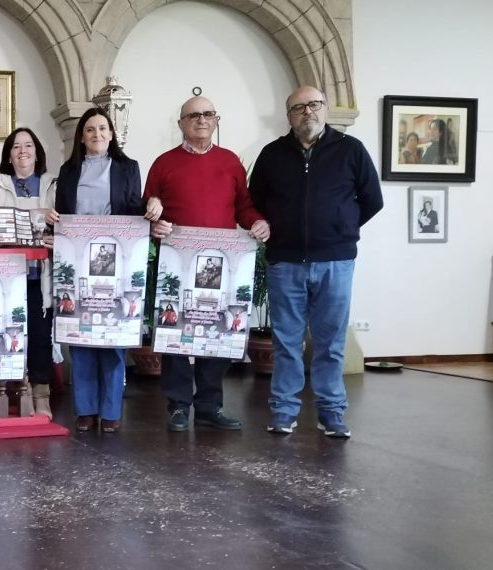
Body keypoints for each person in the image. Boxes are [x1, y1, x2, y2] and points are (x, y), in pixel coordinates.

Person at [249, 85, 383, 439]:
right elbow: (255, 201)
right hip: (285, 262)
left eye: (314, 105)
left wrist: (340, 229)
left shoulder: (350, 150)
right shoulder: (272, 154)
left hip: (335, 262)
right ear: (289, 116)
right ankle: (283, 410)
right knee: (286, 342)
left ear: (325, 109)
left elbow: (372, 199)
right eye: (298, 108)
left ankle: (332, 412)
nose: (307, 112)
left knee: (330, 342)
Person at [145, 95, 270, 433]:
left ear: (216, 120)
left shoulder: (230, 162)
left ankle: (209, 406)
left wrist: (257, 222)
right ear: (181, 123)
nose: (201, 120)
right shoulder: (163, 163)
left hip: (220, 262)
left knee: (216, 333)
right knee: (174, 332)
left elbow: (243, 207)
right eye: (194, 115)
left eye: (208, 114)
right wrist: (154, 222)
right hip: (177, 262)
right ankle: (178, 405)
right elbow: (149, 209)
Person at [55, 107, 141, 434]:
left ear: (111, 133)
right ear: (81, 135)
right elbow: (63, 212)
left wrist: (151, 206)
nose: (97, 134)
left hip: (115, 262)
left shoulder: (127, 167)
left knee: (113, 337)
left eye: (102, 128)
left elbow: (133, 208)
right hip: (77, 262)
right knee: (82, 338)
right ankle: (86, 408)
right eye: (90, 129)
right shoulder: (68, 170)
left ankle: (110, 410)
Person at [0, 127, 59, 418]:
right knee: (10, 334)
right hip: (7, 278)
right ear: (9, 155)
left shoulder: (53, 185)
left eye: (28, 145)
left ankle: (41, 395)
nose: (23, 151)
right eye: (16, 147)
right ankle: (18, 389)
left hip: (41, 276)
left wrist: (56, 236)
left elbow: (67, 225)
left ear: (37, 152)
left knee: (39, 336)